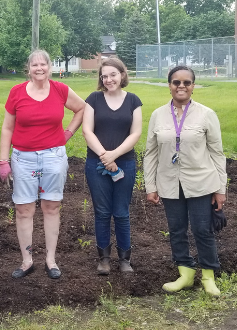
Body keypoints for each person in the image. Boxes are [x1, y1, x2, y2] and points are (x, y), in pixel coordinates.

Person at [0, 49, 88, 280]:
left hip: (53, 157)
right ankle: (27, 261)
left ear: (50, 67)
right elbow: (7, 127)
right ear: (28, 68)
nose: (39, 69)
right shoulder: (17, 92)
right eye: (34, 65)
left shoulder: (60, 90)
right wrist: (3, 160)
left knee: (51, 207)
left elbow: (82, 108)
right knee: (23, 209)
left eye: (43, 65)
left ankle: (50, 260)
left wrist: (68, 132)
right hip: (23, 158)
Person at [143, 65, 227, 297]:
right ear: (169, 85)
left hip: (201, 182)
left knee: (202, 230)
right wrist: (150, 186)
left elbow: (217, 153)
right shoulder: (158, 115)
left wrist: (221, 189)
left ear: (193, 86)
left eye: (186, 83)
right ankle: (186, 274)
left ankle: (208, 276)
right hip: (169, 183)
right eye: (176, 82)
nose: (181, 86)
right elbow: (150, 153)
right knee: (176, 230)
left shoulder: (206, 114)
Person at [82, 58, 142, 275]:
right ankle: (104, 259)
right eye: (104, 76)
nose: (108, 79)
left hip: (125, 163)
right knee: (102, 212)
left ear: (122, 75)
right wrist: (104, 156)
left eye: (113, 75)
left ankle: (125, 259)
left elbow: (135, 133)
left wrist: (115, 155)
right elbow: (87, 131)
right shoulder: (94, 99)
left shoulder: (133, 101)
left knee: (121, 212)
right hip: (96, 164)